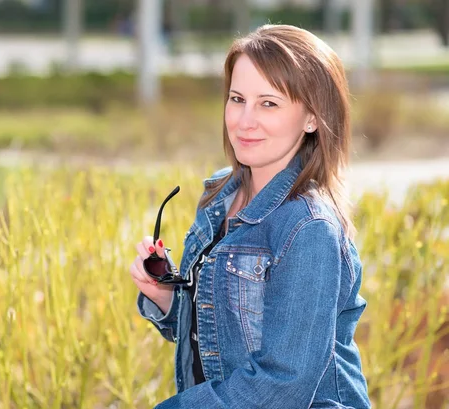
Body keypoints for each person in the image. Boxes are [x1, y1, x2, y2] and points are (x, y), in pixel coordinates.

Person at [129, 24, 371, 408]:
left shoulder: (308, 228)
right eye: (237, 98)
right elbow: (220, 338)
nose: (244, 120)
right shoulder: (220, 197)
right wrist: (163, 296)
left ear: (312, 118)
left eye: (269, 103)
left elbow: (283, 383)